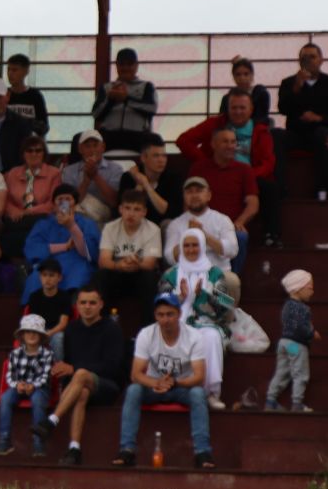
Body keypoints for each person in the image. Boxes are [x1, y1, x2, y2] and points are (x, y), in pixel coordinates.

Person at [115, 294, 215, 469]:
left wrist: (175, 383)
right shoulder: (146, 334)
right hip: (154, 386)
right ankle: (127, 450)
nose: (165, 319)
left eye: (170, 314)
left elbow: (199, 377)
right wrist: (155, 383)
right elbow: (136, 374)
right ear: (155, 315)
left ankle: (203, 453)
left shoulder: (194, 336)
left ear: (179, 314)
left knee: (198, 394)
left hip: (181, 387)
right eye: (161, 315)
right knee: (133, 390)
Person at [178, 91, 280, 248]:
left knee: (271, 189)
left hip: (250, 174)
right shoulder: (215, 124)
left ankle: (271, 235)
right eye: (234, 108)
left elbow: (268, 163)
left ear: (251, 109)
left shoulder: (261, 130)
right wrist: (206, 162)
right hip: (216, 171)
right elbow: (183, 141)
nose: (238, 111)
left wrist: (245, 174)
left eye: (242, 107)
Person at [44, 285, 129, 465]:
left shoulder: (112, 328)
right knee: (81, 391)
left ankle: (52, 420)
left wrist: (75, 369)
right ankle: (74, 449)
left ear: (101, 305)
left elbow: (113, 367)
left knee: (81, 374)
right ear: (77, 306)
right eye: (83, 302)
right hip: (79, 388)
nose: (87, 306)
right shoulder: (71, 330)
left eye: (92, 302)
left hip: (108, 387)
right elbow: (67, 366)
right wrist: (71, 371)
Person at [155, 231, 233, 410]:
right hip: (175, 322)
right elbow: (160, 304)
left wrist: (203, 295)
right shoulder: (171, 274)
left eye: (195, 245)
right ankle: (177, 390)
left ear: (203, 246)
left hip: (207, 322)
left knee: (211, 337)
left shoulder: (215, 273)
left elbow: (226, 305)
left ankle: (211, 393)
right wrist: (179, 298)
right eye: (187, 245)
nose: (191, 249)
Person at [185, 128, 260, 273]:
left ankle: (231, 280)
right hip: (202, 224)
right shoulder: (199, 168)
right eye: (225, 141)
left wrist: (240, 222)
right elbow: (188, 200)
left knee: (240, 236)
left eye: (233, 142)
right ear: (213, 144)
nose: (231, 146)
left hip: (230, 227)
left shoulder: (244, 170)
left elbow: (253, 204)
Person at [22, 186, 100, 300]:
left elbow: (90, 253)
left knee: (80, 275)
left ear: (76, 203)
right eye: (60, 199)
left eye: (68, 199)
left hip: (78, 263)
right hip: (49, 263)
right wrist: (64, 247)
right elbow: (31, 248)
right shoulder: (43, 224)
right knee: (36, 278)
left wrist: (72, 226)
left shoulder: (87, 223)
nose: (64, 202)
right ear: (54, 204)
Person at [0, 314, 56, 457]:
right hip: (19, 387)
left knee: (37, 400)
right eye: (28, 332)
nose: (32, 335)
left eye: (36, 332)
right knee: (5, 399)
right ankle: (4, 439)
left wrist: (33, 385)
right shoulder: (15, 354)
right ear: (22, 335)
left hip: (39, 388)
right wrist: (17, 385)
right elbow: (9, 375)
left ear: (41, 336)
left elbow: (46, 375)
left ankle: (38, 441)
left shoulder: (47, 354)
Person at [97, 191, 163, 312]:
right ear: (120, 209)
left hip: (140, 274)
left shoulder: (153, 230)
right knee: (102, 276)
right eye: (127, 208)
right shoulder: (110, 228)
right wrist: (119, 265)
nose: (131, 214)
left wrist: (136, 264)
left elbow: (150, 264)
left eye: (137, 209)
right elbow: (103, 261)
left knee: (150, 278)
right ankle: (104, 323)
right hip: (118, 273)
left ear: (144, 212)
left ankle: (148, 326)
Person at [277, 41, 328, 159]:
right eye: (304, 58)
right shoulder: (288, 83)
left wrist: (319, 118)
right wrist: (296, 88)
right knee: (275, 135)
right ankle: (280, 177)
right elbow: (282, 109)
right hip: (296, 133)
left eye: (312, 57)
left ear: (321, 60)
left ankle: (326, 178)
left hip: (320, 131)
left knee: (324, 136)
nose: (308, 61)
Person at [266, 269, 318, 412]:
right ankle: (297, 403)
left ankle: (270, 400)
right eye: (309, 288)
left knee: (282, 371)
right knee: (300, 373)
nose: (312, 292)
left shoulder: (286, 307)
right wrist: (312, 333)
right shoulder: (303, 309)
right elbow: (301, 328)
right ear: (298, 288)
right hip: (296, 345)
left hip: (284, 344)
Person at [0, 135, 57, 261]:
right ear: (23, 153)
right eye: (29, 150)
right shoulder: (13, 173)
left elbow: (54, 203)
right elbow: (5, 198)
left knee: (35, 227)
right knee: (9, 230)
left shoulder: (54, 173)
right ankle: (19, 266)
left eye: (38, 150)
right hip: (16, 219)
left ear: (44, 153)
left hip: (41, 216)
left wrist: (27, 212)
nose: (34, 153)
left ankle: (30, 263)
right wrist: (12, 210)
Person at [163, 176, 238, 274]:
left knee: (232, 282)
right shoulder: (175, 224)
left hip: (217, 273)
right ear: (184, 197)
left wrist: (204, 236)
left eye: (199, 191)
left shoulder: (222, 219)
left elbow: (232, 250)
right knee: (166, 278)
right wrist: (187, 237)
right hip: (186, 274)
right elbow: (169, 257)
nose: (194, 195)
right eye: (189, 192)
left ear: (209, 195)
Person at [92, 47, 158, 150]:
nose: (125, 68)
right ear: (117, 66)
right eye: (122, 64)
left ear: (136, 66)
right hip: (109, 136)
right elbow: (96, 114)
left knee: (154, 141)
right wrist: (111, 100)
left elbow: (151, 109)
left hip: (137, 136)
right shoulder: (106, 87)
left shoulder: (146, 86)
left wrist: (126, 99)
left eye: (129, 64)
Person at [60, 129, 123, 224]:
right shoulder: (68, 171)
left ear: (103, 147)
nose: (92, 150)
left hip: (105, 218)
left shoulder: (115, 169)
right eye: (87, 146)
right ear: (80, 149)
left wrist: (96, 176)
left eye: (95, 145)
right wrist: (86, 181)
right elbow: (66, 204)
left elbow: (114, 202)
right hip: (75, 216)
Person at [122, 138, 182, 222]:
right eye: (156, 156)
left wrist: (146, 185)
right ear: (143, 158)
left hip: (163, 226)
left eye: (164, 156)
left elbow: (169, 212)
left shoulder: (173, 179)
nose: (161, 160)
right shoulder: (128, 177)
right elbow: (125, 211)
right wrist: (139, 186)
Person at [27, 259, 73, 362]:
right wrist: (41, 334)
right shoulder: (34, 297)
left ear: (59, 278)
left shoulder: (64, 297)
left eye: (51, 275)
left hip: (56, 331)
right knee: (29, 338)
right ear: (40, 277)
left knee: (58, 338)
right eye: (44, 275)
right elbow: (33, 321)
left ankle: (59, 370)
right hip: (40, 331)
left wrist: (49, 333)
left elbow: (63, 323)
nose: (47, 279)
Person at [4, 53, 49, 136]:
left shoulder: (35, 96)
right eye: (8, 69)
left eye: (14, 70)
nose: (10, 74)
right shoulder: (3, 95)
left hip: (29, 145)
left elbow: (44, 127)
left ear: (26, 71)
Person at [218, 55, 272, 125]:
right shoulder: (227, 98)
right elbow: (222, 121)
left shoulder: (261, 94)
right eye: (238, 74)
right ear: (233, 77)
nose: (242, 78)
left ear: (252, 75)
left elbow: (262, 119)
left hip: (256, 132)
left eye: (246, 74)